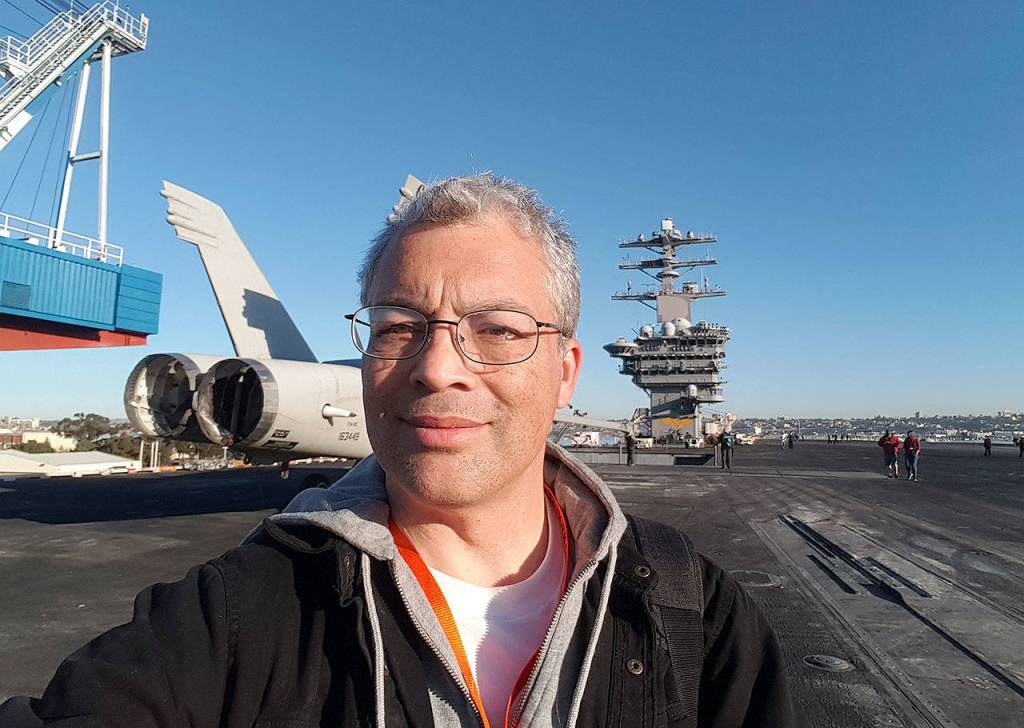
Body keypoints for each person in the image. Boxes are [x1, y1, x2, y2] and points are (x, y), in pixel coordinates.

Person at [0, 174, 804, 727]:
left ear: (565, 373)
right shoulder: (240, 616)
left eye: (498, 330)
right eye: (398, 328)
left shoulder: (695, 614)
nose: (439, 369)